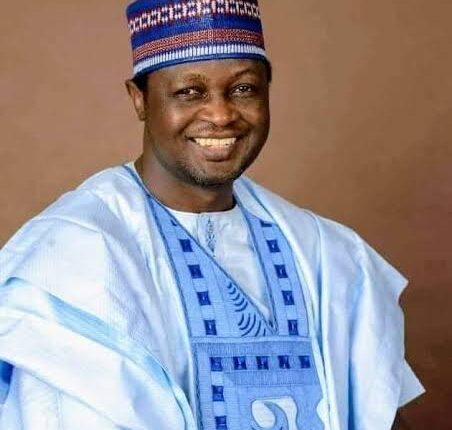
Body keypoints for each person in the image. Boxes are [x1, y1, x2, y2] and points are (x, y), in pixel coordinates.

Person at [0, 1, 424, 429]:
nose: (221, 115)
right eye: (190, 92)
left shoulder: (328, 256)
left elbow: (383, 413)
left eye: (243, 89)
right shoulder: (71, 261)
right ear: (139, 99)